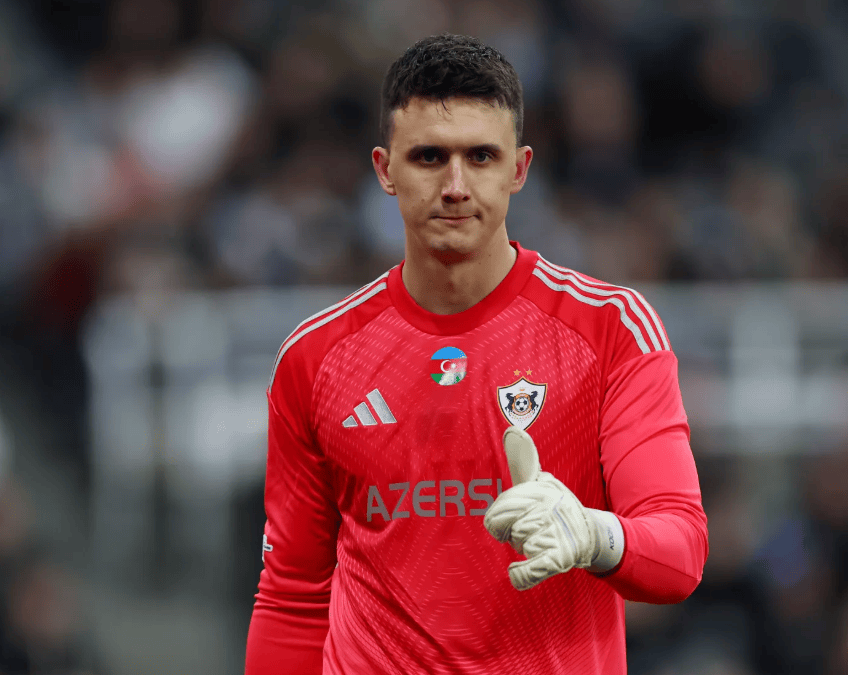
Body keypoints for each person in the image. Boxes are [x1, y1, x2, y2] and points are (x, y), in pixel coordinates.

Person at [244, 33, 708, 675]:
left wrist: (594, 535)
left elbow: (680, 553)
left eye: (481, 156)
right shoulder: (316, 357)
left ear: (519, 169)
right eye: (429, 157)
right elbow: (294, 596)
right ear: (385, 169)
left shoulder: (611, 330)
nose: (456, 185)